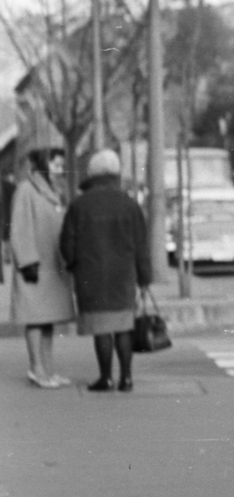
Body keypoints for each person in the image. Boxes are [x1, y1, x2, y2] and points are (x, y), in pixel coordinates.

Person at [60, 150, 151, 393]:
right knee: (123, 325)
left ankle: (106, 378)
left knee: (101, 327)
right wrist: (144, 277)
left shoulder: (79, 205)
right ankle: (127, 378)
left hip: (91, 275)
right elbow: (141, 245)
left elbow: (67, 243)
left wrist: (73, 264)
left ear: (92, 174)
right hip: (123, 276)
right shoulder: (129, 204)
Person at [8, 149, 74, 388]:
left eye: (61, 165)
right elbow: (19, 227)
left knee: (48, 320)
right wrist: (26, 262)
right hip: (36, 267)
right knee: (36, 319)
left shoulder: (54, 191)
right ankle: (37, 369)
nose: (60, 169)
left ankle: (47, 369)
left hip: (52, 266)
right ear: (44, 165)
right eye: (55, 165)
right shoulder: (26, 189)